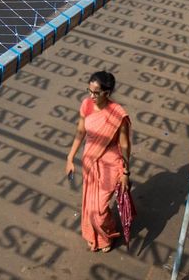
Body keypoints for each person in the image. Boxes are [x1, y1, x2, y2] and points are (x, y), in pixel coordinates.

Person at [65, 71, 131, 253]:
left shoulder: (118, 114)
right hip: (90, 162)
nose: (91, 96)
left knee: (99, 210)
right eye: (89, 91)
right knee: (90, 205)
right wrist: (70, 157)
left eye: (96, 93)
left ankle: (108, 232)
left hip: (111, 165)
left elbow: (125, 145)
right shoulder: (86, 105)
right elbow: (80, 132)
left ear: (107, 93)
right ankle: (100, 239)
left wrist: (125, 172)